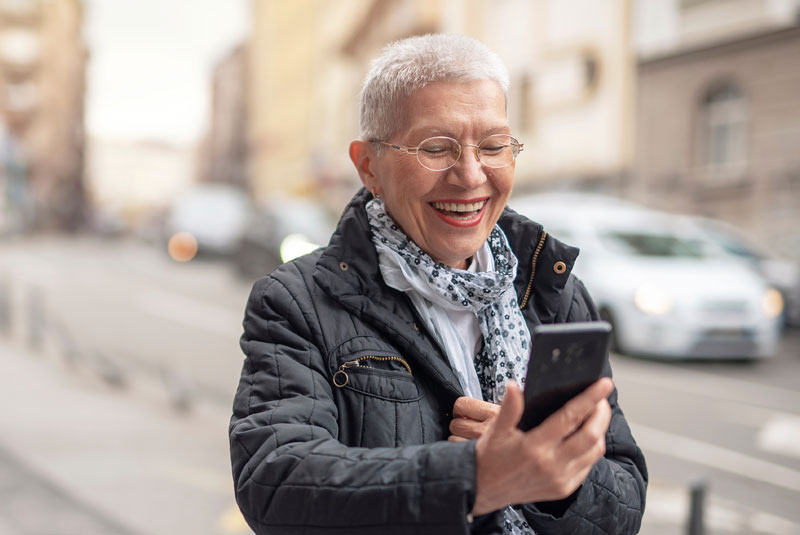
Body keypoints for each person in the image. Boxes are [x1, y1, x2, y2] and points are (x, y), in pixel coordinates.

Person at [229, 34, 647, 535]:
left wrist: (548, 470)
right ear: (369, 166)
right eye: (436, 148)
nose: (471, 176)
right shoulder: (297, 301)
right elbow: (276, 485)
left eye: (493, 146)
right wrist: (475, 479)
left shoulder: (553, 290)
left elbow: (625, 497)